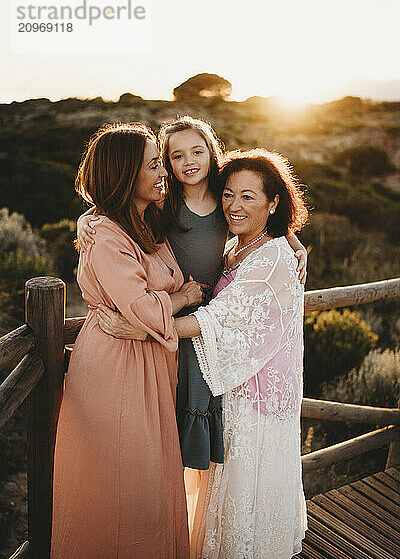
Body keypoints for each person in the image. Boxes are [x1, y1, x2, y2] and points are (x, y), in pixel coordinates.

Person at [95, 148, 309, 559]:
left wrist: (146, 329)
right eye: (228, 194)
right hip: (236, 382)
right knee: (224, 475)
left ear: (274, 203)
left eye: (250, 197)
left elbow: (222, 318)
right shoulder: (237, 247)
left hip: (258, 389)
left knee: (244, 477)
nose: (234, 205)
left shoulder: (274, 258)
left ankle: (237, 558)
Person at [78, 117, 308, 481]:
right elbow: (120, 202)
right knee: (170, 404)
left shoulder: (223, 196)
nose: (189, 162)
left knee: (203, 403)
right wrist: (85, 219)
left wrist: (296, 246)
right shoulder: (164, 202)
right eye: (176, 156)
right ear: (166, 163)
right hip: (169, 312)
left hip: (209, 316)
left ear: (212, 153)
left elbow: (266, 212)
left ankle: (196, 492)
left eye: (197, 152)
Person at [50, 123, 205, 559]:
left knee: (150, 483)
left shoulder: (145, 219)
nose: (165, 172)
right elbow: (136, 307)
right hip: (116, 368)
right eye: (155, 164)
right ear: (124, 175)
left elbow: (246, 188)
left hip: (150, 361)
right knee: (125, 486)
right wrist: (184, 298)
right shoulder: (107, 235)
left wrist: (292, 238)